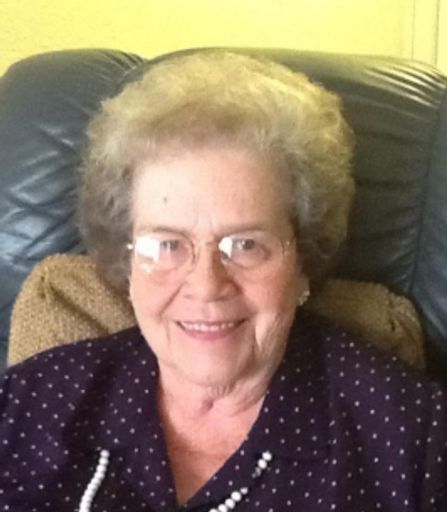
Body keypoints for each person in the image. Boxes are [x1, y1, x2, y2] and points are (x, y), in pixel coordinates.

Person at [0, 51, 446, 512]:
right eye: (167, 244)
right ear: (127, 263)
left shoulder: (408, 437)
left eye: (246, 244)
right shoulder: (32, 401)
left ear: (302, 261)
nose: (206, 284)